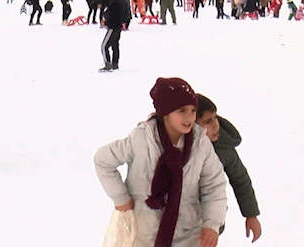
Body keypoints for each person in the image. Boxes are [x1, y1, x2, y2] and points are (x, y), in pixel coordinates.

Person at [94, 77, 227, 247]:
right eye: (182, 110)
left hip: (187, 235)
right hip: (144, 235)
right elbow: (103, 160)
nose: (189, 117)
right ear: (165, 113)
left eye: (193, 111)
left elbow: (214, 185)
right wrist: (121, 199)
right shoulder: (141, 138)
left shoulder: (200, 144)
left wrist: (212, 224)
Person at [196, 94, 262, 243]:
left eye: (215, 118)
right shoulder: (178, 148)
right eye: (207, 121)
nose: (215, 125)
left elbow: (240, 180)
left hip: (209, 224)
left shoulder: (224, 148)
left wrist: (251, 214)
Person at [100, 0, 123, 72]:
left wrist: (105, 22)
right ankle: (115, 63)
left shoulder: (113, 4)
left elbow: (112, 17)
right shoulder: (119, 1)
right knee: (115, 45)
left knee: (104, 46)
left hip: (113, 27)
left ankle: (108, 64)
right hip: (118, 27)